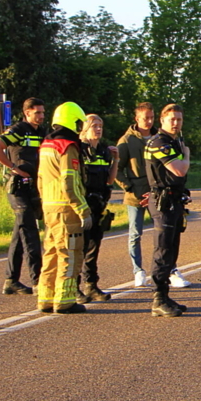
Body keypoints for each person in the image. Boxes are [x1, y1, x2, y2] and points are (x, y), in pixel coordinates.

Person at [116, 103, 190, 289]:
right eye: (144, 118)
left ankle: (172, 272)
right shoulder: (128, 141)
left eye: (151, 117)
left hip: (159, 194)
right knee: (136, 234)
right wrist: (129, 187)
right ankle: (138, 271)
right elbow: (117, 168)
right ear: (137, 119)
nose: (148, 121)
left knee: (167, 239)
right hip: (137, 194)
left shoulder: (169, 138)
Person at [0, 97, 46, 296]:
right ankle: (38, 281)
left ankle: (11, 280)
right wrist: (13, 168)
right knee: (30, 232)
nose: (41, 116)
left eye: (43, 113)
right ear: (27, 112)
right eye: (37, 112)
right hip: (18, 189)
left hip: (34, 189)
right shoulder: (18, 130)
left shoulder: (42, 133)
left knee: (19, 234)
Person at [37, 102, 92, 314]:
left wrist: (44, 204)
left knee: (51, 253)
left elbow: (40, 179)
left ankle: (46, 298)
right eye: (80, 123)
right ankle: (65, 300)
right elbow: (69, 182)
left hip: (49, 207)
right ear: (73, 121)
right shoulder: (67, 146)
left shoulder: (46, 144)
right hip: (66, 209)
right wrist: (83, 210)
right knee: (70, 254)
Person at [145, 103, 192, 317]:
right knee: (162, 251)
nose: (176, 123)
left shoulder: (173, 141)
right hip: (163, 202)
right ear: (162, 121)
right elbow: (179, 170)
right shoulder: (159, 142)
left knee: (172, 250)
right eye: (172, 119)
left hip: (173, 201)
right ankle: (158, 298)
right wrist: (187, 155)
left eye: (179, 120)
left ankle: (165, 295)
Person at [77, 114, 118, 304]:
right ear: (84, 129)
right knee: (79, 248)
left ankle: (91, 286)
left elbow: (110, 180)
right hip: (82, 206)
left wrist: (115, 160)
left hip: (99, 204)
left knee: (94, 247)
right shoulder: (78, 150)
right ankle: (74, 287)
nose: (99, 129)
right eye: (94, 125)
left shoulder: (104, 150)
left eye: (101, 126)